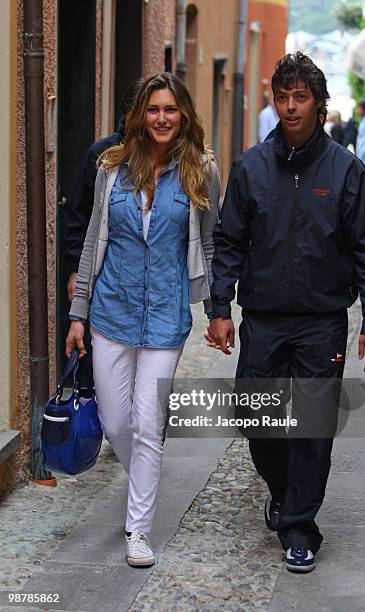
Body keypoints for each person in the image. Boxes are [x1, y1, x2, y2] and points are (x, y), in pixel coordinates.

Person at [206, 52, 365, 573]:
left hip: (321, 320)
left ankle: (301, 528)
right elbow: (228, 241)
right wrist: (221, 308)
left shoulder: (346, 171)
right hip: (262, 318)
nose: (290, 107)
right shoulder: (250, 168)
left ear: (319, 106)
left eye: (300, 97)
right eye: (282, 97)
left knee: (311, 425)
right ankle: (284, 491)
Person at [66, 72, 220, 567]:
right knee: (116, 422)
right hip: (111, 311)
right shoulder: (110, 168)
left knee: (149, 425)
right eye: (153, 109)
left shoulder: (202, 169)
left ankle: (139, 527)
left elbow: (211, 245)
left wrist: (219, 310)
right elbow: (93, 242)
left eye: (170, 110)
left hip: (165, 319)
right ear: (139, 115)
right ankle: (143, 485)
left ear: (184, 115)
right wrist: (77, 314)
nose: (161, 118)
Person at [61, 79, 144, 303]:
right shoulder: (103, 155)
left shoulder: (173, 161)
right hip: (105, 278)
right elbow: (79, 214)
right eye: (137, 114)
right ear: (125, 116)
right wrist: (76, 269)